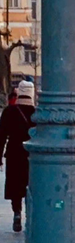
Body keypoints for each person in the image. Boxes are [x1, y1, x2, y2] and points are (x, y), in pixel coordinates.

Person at [0, 81, 36, 232]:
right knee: (31, 184)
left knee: (16, 185)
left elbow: (1, 135)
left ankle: (16, 213)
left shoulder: (9, 111)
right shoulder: (38, 113)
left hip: (15, 153)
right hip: (33, 155)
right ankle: (31, 215)